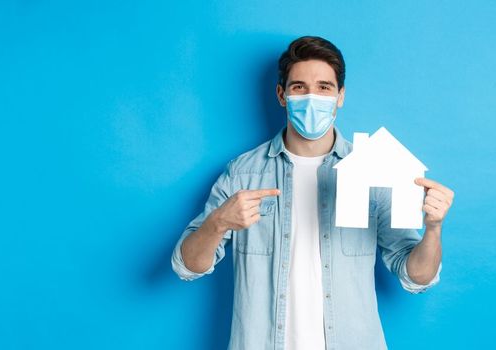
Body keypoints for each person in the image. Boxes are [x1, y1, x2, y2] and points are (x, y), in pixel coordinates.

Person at [171, 35, 454, 350]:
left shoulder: (373, 170)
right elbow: (186, 266)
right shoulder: (242, 173)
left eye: (324, 87)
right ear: (282, 95)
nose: (312, 97)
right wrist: (218, 223)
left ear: (340, 95)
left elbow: (417, 277)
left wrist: (433, 229)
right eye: (298, 87)